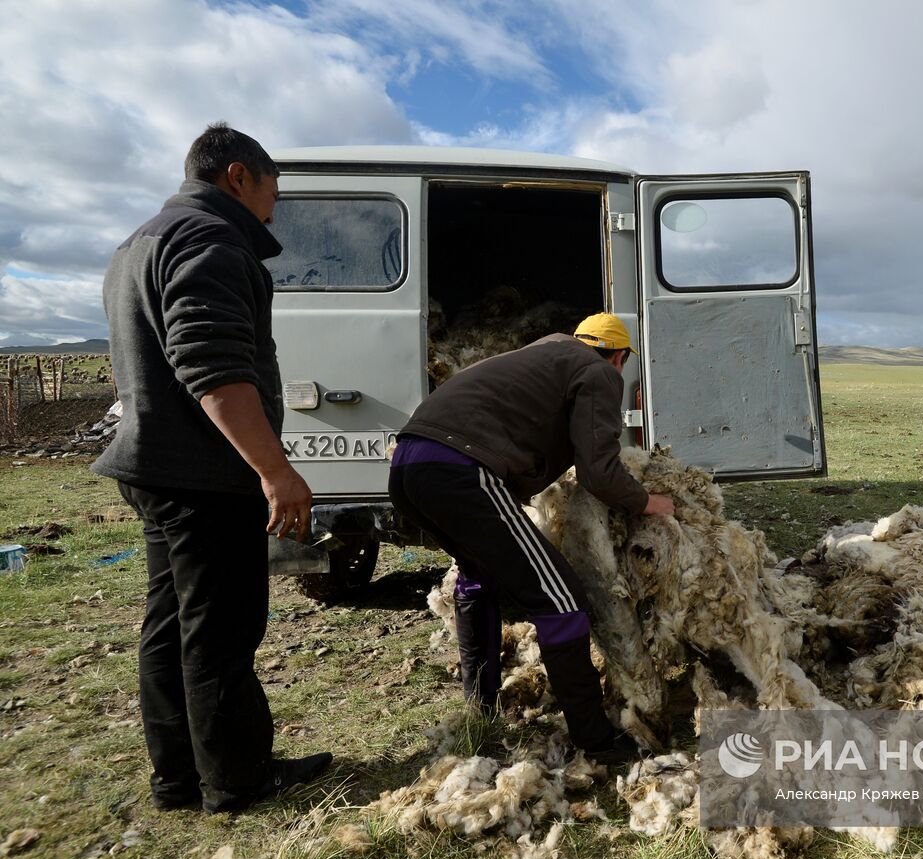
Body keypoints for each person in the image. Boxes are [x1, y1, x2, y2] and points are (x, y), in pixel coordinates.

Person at [94, 123, 332, 813]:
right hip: (204, 475)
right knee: (221, 630)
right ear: (237, 176)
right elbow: (213, 367)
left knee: (170, 625)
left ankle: (179, 779)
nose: (273, 209)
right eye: (271, 192)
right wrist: (274, 470)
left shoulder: (137, 243)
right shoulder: (211, 240)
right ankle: (236, 779)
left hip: (155, 467)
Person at [388, 313, 674, 764]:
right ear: (619, 357)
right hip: (461, 469)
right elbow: (599, 470)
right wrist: (647, 502)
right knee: (560, 600)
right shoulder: (598, 371)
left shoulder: (538, 355)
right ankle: (595, 740)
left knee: (476, 577)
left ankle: (480, 709)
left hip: (408, 465)